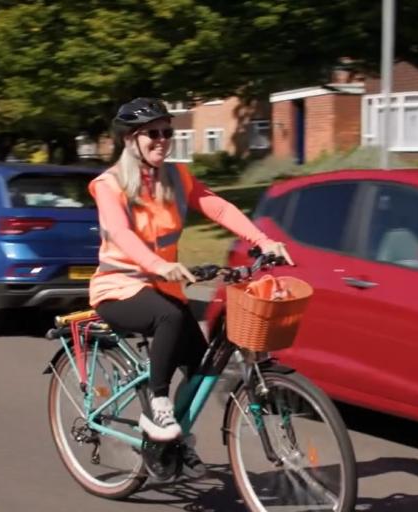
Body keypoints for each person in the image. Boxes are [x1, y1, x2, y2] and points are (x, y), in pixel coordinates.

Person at [88, 97, 293, 477]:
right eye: (153, 133)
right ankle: (160, 405)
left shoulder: (176, 177)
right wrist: (158, 265)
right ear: (131, 139)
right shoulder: (109, 184)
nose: (163, 139)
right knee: (167, 317)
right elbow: (121, 233)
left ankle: (167, 443)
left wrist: (263, 240)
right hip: (118, 287)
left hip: (164, 287)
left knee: (201, 368)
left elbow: (217, 207)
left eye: (168, 132)